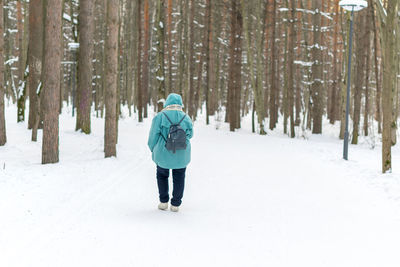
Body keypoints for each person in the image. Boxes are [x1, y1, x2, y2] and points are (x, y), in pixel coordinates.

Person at [147, 93, 193, 212]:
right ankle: (175, 204)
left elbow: (153, 135)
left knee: (162, 175)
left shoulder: (160, 116)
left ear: (167, 103)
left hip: (163, 153)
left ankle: (163, 202)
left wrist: (153, 148)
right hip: (182, 153)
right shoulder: (186, 117)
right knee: (179, 177)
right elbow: (190, 134)